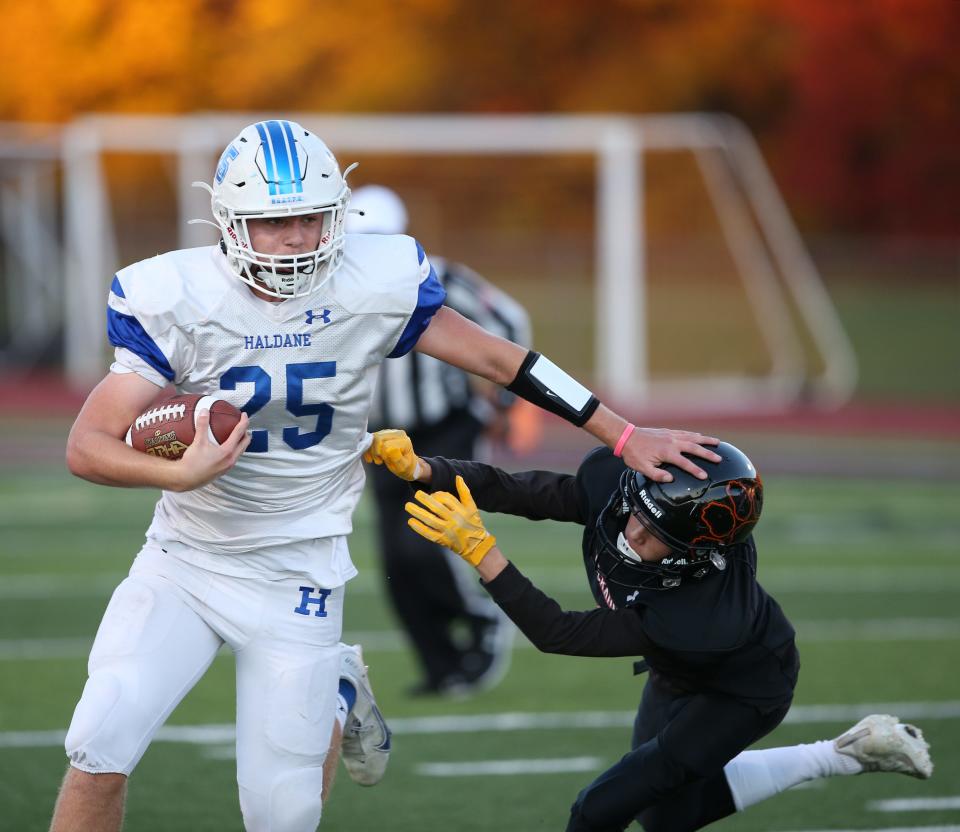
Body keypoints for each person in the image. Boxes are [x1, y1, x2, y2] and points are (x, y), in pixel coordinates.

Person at [53, 118, 722, 832]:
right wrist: (180, 476)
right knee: (100, 744)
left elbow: (505, 360)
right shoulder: (177, 296)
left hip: (300, 569)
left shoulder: (372, 281)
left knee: (281, 814)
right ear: (229, 222)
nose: (297, 238)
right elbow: (87, 444)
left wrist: (621, 432)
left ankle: (335, 687)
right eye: (273, 223)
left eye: (311, 217)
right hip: (184, 560)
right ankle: (335, 690)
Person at [364, 429, 934, 832]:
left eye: (653, 534)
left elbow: (560, 633)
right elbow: (535, 491)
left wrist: (483, 554)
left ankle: (838, 756)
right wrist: (428, 470)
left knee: (598, 810)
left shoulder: (701, 617)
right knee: (668, 816)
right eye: (637, 509)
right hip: (675, 673)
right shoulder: (636, 494)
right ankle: (845, 754)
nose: (631, 530)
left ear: (696, 552)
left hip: (743, 691)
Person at [347, 183, 533, 696]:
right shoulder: (331, 282)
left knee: (431, 542)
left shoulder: (437, 275)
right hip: (380, 437)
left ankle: (482, 619)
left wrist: (504, 403)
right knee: (395, 561)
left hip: (443, 425)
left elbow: (508, 320)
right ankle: (439, 663)